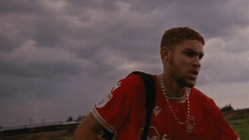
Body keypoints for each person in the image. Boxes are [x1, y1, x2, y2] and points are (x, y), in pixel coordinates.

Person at [74, 27, 240, 140]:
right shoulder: (135, 87)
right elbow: (84, 132)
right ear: (165, 55)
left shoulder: (205, 106)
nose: (197, 63)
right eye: (189, 54)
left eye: (200, 56)